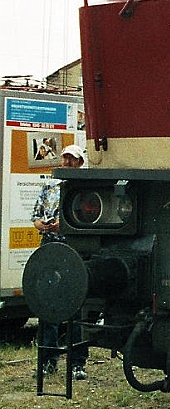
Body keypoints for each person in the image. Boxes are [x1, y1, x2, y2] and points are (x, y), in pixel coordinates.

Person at [31, 144, 89, 380]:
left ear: (80, 163)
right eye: (64, 157)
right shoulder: (49, 185)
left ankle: (77, 363)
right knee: (48, 303)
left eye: (71, 159)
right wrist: (42, 225)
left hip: (74, 248)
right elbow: (35, 216)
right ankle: (48, 360)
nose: (66, 162)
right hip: (50, 247)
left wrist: (64, 225)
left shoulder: (84, 188)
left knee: (76, 306)